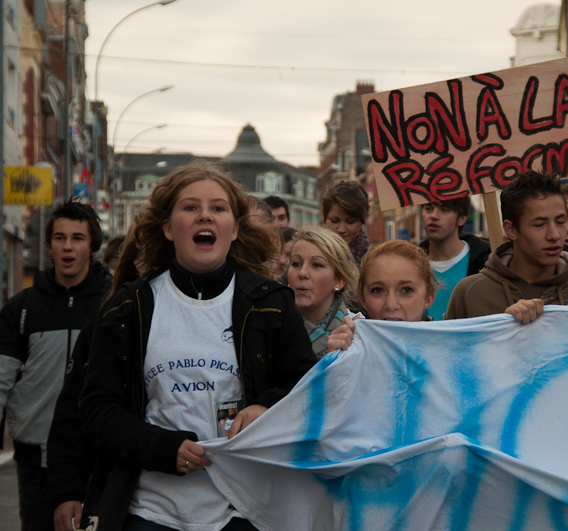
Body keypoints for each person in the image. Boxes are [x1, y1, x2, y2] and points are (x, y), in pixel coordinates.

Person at [80, 161, 317, 531]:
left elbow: (306, 387)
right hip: (153, 513)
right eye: (190, 207)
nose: (204, 216)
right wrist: (161, 447)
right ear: (168, 228)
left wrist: (264, 405)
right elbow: (98, 410)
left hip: (243, 511)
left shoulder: (271, 303)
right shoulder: (130, 307)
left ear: (235, 228)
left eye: (218, 208)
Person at [0, 198, 110, 531]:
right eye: (59, 237)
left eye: (77, 238)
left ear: (92, 246)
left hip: (98, 454)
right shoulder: (21, 308)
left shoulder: (113, 304)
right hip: (37, 455)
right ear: (49, 245)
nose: (67, 246)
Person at [45, 224, 143, 531]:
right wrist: (67, 491)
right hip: (121, 493)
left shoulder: (234, 314)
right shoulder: (107, 324)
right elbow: (74, 415)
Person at [328, 240, 542, 351]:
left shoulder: (455, 348)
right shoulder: (348, 347)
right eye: (377, 290)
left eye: (406, 290)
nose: (391, 304)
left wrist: (512, 330)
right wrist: (334, 364)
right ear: (361, 298)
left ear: (429, 298)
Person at [445, 171, 568, 319]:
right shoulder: (470, 294)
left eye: (560, 222)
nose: (555, 235)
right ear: (511, 229)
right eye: (539, 224)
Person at [286, 227, 359, 359]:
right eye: (296, 263)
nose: (302, 273)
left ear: (339, 280)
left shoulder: (358, 332)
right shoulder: (270, 326)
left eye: (317, 265)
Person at [418, 197, 491, 320]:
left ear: (462, 218)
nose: (434, 216)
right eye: (428, 208)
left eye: (444, 210)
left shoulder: (487, 260)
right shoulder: (412, 263)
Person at [322, 181, 371, 267]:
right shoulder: (310, 253)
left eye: (350, 222)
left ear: (364, 218)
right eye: (334, 221)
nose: (341, 229)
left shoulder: (372, 260)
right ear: (324, 216)